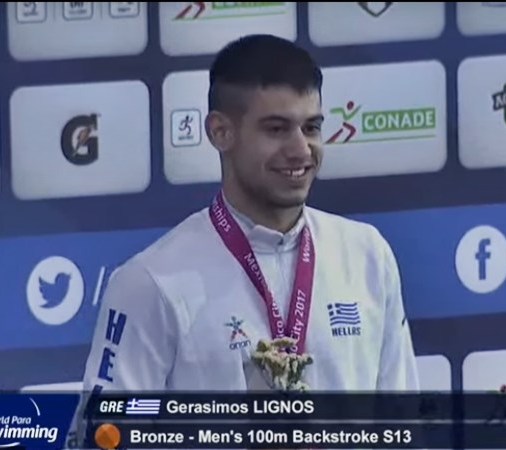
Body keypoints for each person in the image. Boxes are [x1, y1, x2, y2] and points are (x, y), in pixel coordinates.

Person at [81, 34, 419, 394]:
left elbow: (402, 414)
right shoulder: (150, 282)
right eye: (277, 129)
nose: (301, 149)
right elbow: (108, 423)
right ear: (220, 132)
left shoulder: (368, 254)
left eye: (311, 128)